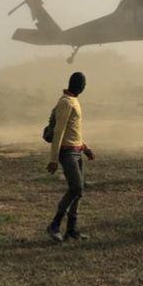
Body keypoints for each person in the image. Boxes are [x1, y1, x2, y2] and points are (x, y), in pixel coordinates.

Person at [46, 72, 95, 242]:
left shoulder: (74, 101)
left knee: (79, 191)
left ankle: (72, 230)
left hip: (76, 150)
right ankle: (54, 225)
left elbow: (73, 131)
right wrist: (53, 160)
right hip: (67, 152)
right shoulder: (65, 102)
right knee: (76, 187)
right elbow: (59, 132)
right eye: (82, 84)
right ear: (75, 84)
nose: (83, 87)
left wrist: (86, 148)